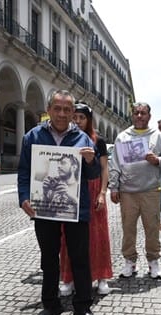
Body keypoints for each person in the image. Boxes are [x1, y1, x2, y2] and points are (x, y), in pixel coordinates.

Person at [17, 89, 100, 315]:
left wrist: (91, 161)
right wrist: (24, 197)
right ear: (49, 110)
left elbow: (93, 175)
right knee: (49, 258)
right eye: (58, 108)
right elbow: (24, 171)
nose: (62, 113)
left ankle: (83, 307)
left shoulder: (84, 139)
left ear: (73, 113)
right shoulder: (32, 137)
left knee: (80, 258)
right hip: (44, 208)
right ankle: (51, 305)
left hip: (76, 208)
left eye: (67, 109)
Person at [109, 102, 161, 279]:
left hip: (151, 190)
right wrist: (114, 186)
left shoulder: (159, 136)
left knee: (152, 227)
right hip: (128, 191)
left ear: (149, 116)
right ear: (132, 115)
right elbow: (115, 163)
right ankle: (130, 262)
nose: (139, 116)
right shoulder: (122, 136)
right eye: (136, 113)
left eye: (143, 113)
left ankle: (153, 261)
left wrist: (157, 160)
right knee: (128, 228)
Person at [59, 102, 113, 296]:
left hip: (93, 189)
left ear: (89, 120)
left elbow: (104, 168)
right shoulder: (66, 138)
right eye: (76, 117)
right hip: (70, 189)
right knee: (69, 235)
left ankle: (102, 277)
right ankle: (68, 277)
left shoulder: (98, 140)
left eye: (82, 117)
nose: (78, 121)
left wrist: (102, 193)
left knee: (98, 235)